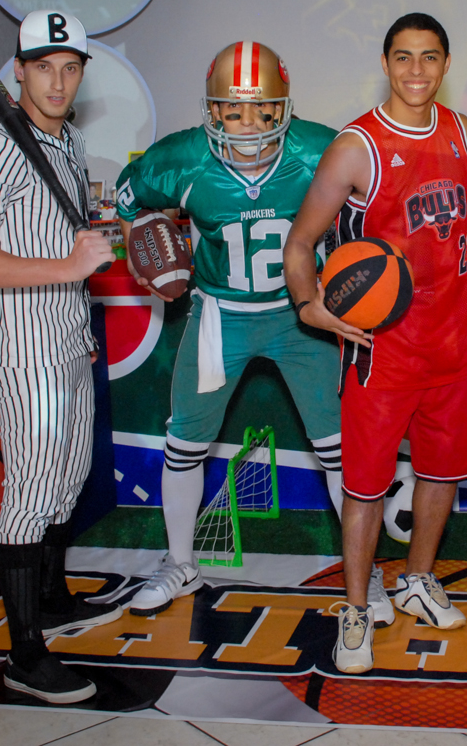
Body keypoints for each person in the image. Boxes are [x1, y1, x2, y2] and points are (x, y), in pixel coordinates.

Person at [113, 42, 390, 622]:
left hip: (302, 315)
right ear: (212, 111)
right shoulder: (184, 158)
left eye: (263, 111)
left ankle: (366, 572)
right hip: (221, 315)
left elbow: (375, 206)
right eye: (234, 111)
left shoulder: (320, 149)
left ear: (283, 109)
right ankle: (181, 561)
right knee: (185, 439)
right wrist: (151, 240)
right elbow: (130, 198)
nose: (247, 126)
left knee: (339, 450)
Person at [284, 13, 467, 674]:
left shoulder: (462, 130)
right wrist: (310, 304)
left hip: (453, 346)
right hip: (383, 350)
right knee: (367, 488)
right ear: (386, 62)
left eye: (429, 57)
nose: (417, 71)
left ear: (446, 63)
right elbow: (299, 243)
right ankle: (355, 606)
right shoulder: (357, 146)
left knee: (440, 474)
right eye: (404, 58)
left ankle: (418, 579)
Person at [0, 10, 121, 704]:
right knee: (33, 489)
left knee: (68, 476)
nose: (57, 80)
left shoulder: (67, 140)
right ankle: (23, 655)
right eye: (43, 66)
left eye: (70, 67)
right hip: (25, 348)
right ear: (16, 69)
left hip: (67, 336)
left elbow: (63, 242)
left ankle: (50, 598)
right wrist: (64, 264)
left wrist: (87, 251)